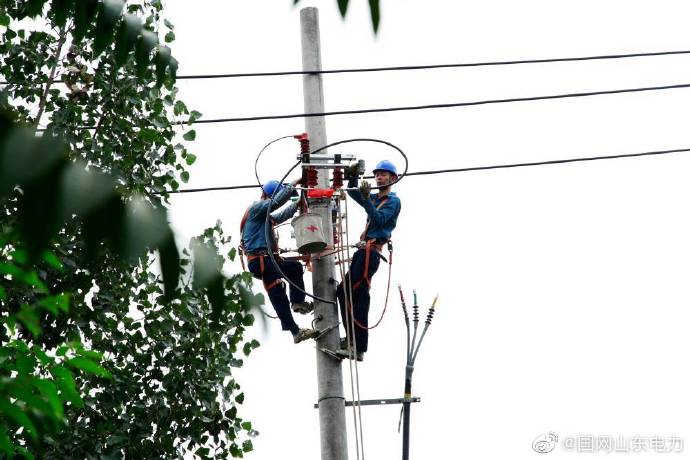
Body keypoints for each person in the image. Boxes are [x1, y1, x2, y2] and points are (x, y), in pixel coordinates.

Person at [336, 160, 401, 361]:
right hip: (363, 251)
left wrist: (366, 200)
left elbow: (380, 219)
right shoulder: (373, 198)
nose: (379, 177)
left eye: (383, 174)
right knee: (344, 291)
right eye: (377, 174)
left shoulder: (393, 201)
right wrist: (353, 177)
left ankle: (358, 346)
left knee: (356, 293)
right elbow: (353, 193)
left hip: (371, 252)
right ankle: (353, 340)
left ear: (393, 178)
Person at [241, 178, 317, 344]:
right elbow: (276, 203)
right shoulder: (255, 209)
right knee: (284, 282)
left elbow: (283, 215)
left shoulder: (264, 217)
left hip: (263, 261)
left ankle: (296, 327)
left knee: (289, 276)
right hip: (260, 260)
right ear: (268, 195)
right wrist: (294, 183)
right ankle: (297, 303)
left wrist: (297, 204)